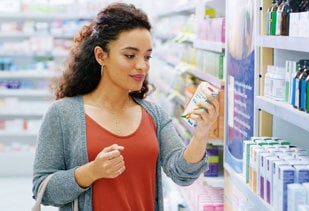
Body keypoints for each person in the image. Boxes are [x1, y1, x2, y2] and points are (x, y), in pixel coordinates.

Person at [32, 2, 219, 211]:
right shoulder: (62, 114)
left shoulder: (154, 115)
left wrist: (200, 136)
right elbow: (43, 189)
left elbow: (182, 173)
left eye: (147, 56)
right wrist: (91, 171)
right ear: (101, 56)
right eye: (130, 55)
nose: (142, 65)